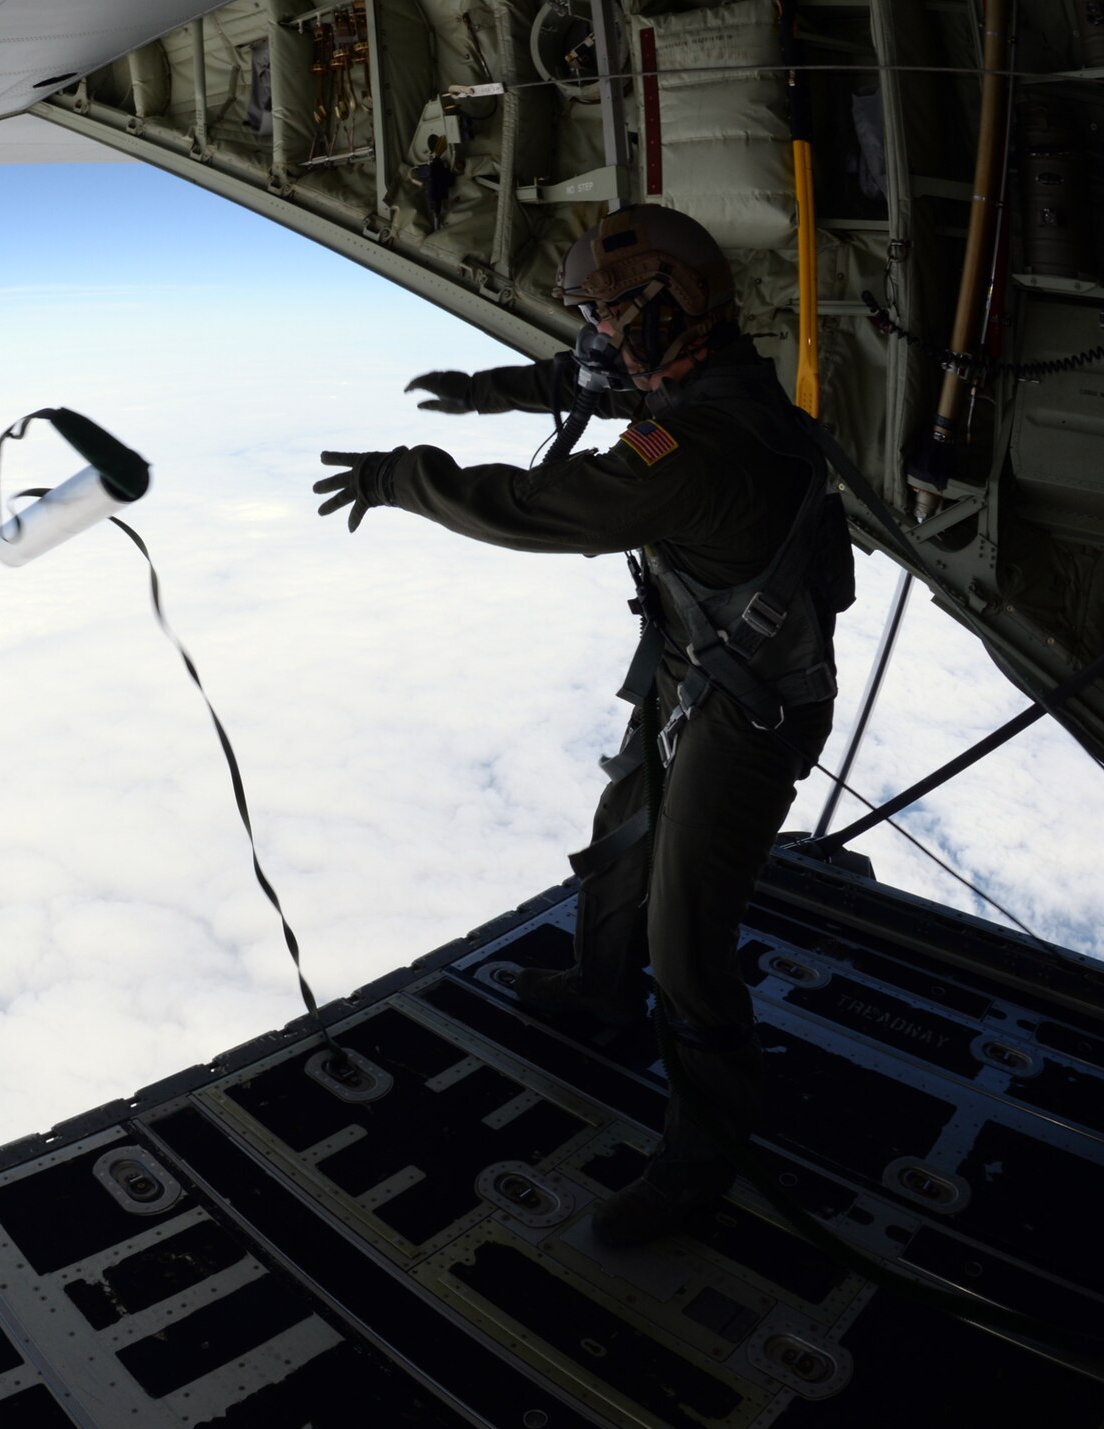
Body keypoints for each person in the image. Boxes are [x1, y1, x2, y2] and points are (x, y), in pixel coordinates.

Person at [313, 204, 853, 1247]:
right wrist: (484, 392)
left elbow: (536, 508)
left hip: (752, 707)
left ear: (667, 313)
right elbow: (586, 382)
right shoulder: (701, 382)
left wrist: (398, 475)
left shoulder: (698, 445)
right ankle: (602, 990)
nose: (597, 335)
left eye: (610, 316)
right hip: (697, 670)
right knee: (622, 836)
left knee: (686, 935)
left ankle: (701, 1160)